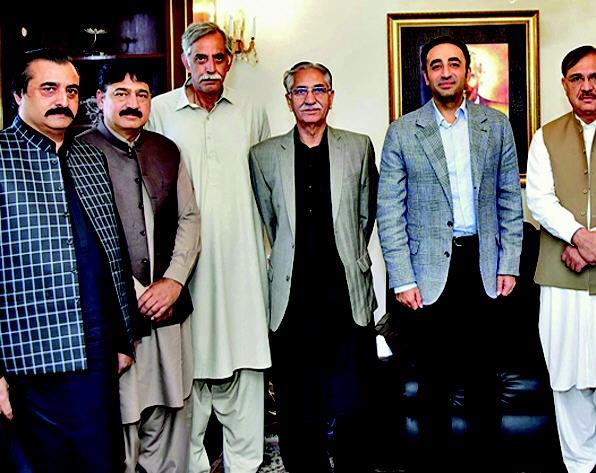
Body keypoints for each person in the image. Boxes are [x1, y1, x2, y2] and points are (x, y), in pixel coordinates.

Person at [377, 35, 524, 472]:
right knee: (432, 387)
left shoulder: (495, 126)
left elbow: (509, 200)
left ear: (467, 71)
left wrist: (509, 264)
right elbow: (390, 211)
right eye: (436, 65)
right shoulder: (403, 131)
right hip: (426, 276)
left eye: (454, 63)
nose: (445, 72)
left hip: (483, 268)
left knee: (483, 384)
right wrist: (402, 279)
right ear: (426, 75)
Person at [0, 48, 138, 472]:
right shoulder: (1, 156)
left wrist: (123, 338)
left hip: (95, 351)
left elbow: (112, 248)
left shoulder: (89, 157)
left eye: (72, 91)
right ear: (18, 95)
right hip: (27, 358)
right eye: (49, 89)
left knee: (103, 461)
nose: (63, 100)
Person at [147, 21, 272, 473]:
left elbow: (266, 184)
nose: (211, 67)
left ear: (230, 61)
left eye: (219, 58)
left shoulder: (250, 109)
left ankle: (245, 464)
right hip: (184, 268)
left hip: (243, 264)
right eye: (201, 58)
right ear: (185, 61)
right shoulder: (160, 110)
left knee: (247, 365)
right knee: (188, 366)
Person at [249, 61, 378, 473]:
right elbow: (270, 221)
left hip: (345, 297)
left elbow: (364, 215)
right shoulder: (263, 155)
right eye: (300, 91)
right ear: (288, 100)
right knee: (298, 409)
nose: (310, 99)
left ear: (331, 97)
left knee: (353, 405)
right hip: (292, 302)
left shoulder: (358, 147)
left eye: (319, 90)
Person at [78, 61, 201, 473]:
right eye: (121, 94)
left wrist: (174, 281)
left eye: (142, 95)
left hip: (168, 310)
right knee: (120, 422)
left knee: (170, 416)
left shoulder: (166, 150)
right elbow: (82, 238)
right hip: (114, 320)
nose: (133, 103)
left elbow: (189, 218)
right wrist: (135, 291)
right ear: (100, 99)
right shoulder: (77, 153)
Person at [526, 45, 596, 473]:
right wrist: (578, 236)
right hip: (561, 280)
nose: (586, 86)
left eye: (595, 77)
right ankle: (579, 467)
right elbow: (540, 199)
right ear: (564, 86)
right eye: (577, 78)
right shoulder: (544, 137)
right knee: (567, 379)